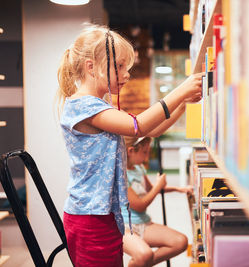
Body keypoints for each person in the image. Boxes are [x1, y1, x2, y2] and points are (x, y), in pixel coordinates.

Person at [56, 24, 202, 267]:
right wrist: (180, 90)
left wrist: (184, 103)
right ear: (91, 66)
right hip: (90, 218)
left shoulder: (99, 107)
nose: (126, 74)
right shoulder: (84, 107)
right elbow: (138, 126)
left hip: (104, 215)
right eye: (119, 66)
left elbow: (149, 130)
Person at [121, 136, 193, 267]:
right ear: (131, 151)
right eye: (144, 152)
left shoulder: (139, 168)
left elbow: (152, 189)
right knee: (144, 255)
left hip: (143, 223)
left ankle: (137, 264)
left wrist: (179, 189)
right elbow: (140, 206)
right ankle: (140, 262)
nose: (147, 157)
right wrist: (159, 186)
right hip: (125, 227)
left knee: (180, 242)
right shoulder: (122, 174)